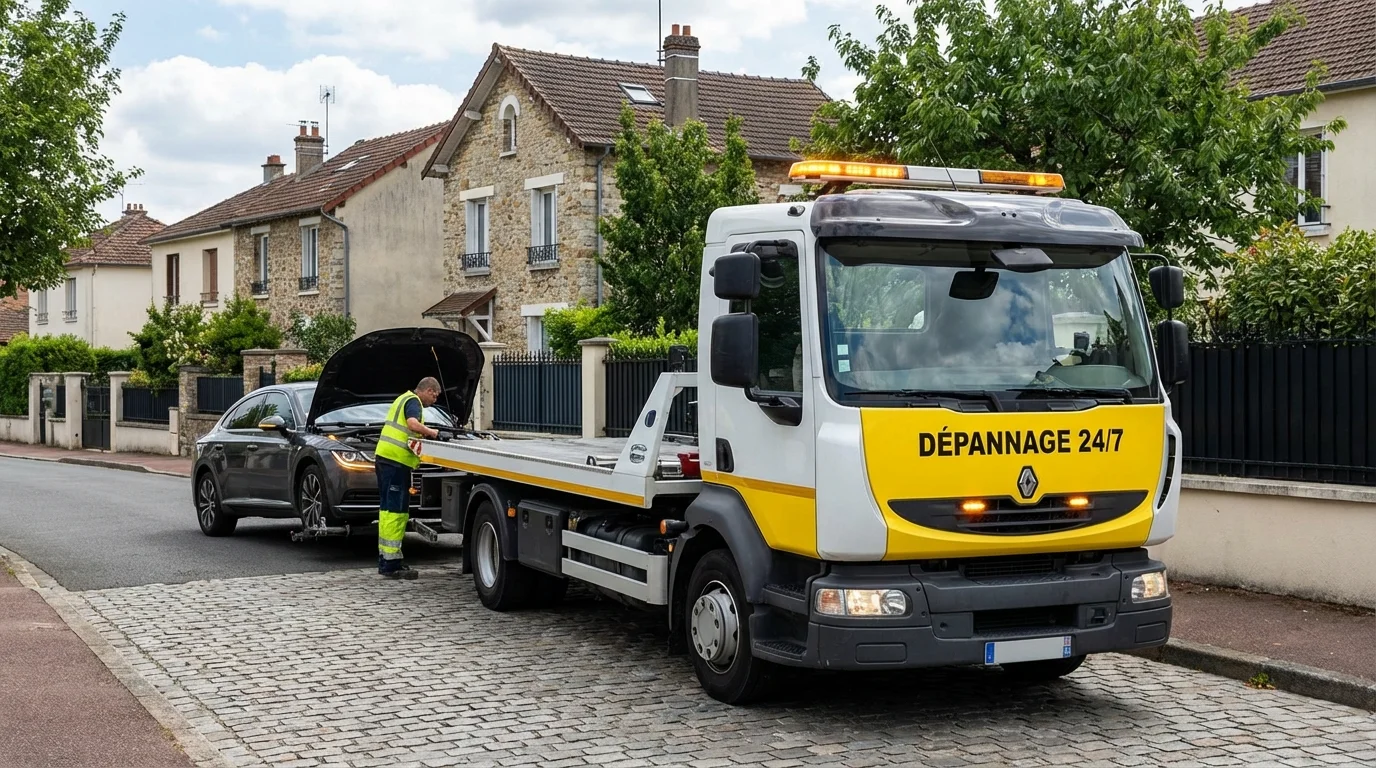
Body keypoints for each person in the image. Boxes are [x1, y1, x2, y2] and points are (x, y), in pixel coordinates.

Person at [372, 377, 442, 580]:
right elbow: (412, 424)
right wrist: (431, 432)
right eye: (435, 396)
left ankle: (387, 560)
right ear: (428, 390)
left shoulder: (403, 398)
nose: (435, 400)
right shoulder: (413, 401)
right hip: (395, 462)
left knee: (388, 510)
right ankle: (391, 564)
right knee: (396, 511)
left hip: (388, 460)